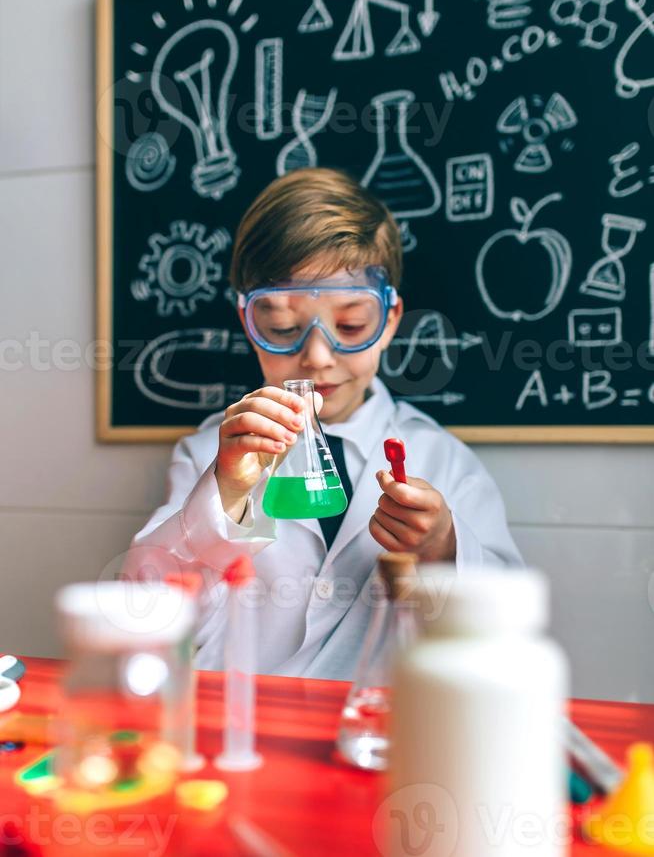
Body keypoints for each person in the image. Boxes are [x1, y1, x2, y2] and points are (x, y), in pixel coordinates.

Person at [125, 168, 522, 680]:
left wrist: (445, 549)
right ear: (249, 325)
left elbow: (506, 627)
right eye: (284, 328)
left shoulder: (442, 460)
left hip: (382, 737)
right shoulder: (208, 456)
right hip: (242, 730)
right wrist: (223, 499)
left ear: (390, 321)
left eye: (352, 325)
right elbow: (146, 617)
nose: (316, 357)